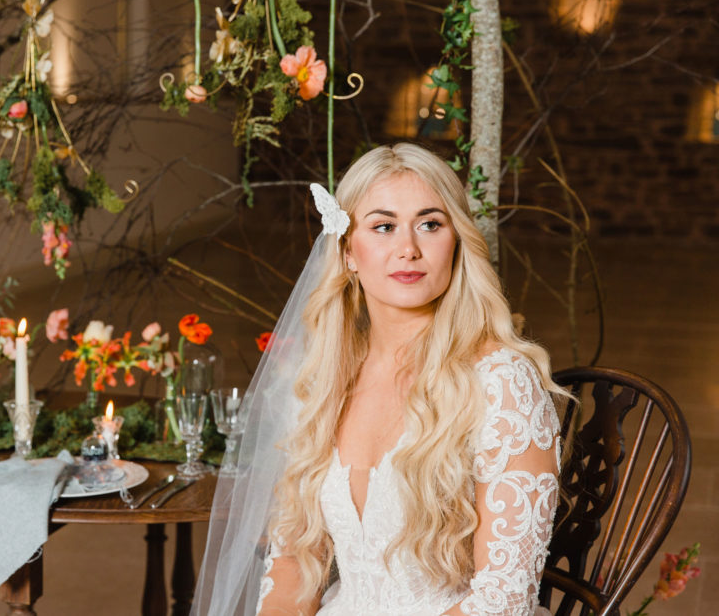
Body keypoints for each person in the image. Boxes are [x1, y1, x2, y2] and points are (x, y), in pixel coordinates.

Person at [192, 143, 566, 616]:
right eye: (383, 226)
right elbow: (293, 564)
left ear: (457, 241)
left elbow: (504, 600)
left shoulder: (500, 382)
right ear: (348, 251)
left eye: (430, 224)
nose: (407, 249)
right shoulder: (323, 381)